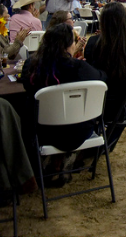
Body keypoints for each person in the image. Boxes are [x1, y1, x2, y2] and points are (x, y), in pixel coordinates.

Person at [20, 23, 104, 154]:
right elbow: (102, 78)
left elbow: (27, 87)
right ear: (69, 45)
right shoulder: (79, 68)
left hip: (44, 132)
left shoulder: (32, 65)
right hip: (79, 131)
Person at [84, 2, 126, 147]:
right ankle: (106, 144)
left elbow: (90, 75)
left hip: (100, 107)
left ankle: (96, 146)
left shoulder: (94, 44)